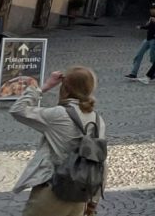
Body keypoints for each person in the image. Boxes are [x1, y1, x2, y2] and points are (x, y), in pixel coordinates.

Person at [9, 66, 105, 215]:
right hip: (80, 196)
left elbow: (18, 109)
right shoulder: (98, 120)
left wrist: (45, 87)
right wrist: (94, 201)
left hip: (53, 191)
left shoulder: (58, 114)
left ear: (65, 87)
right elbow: (100, 163)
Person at [125, 5, 155, 80]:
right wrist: (142, 27)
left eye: (154, 9)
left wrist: (149, 24)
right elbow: (149, 27)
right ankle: (133, 73)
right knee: (139, 55)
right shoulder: (151, 18)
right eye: (151, 9)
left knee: (153, 57)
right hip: (148, 39)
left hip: (154, 40)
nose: (152, 10)